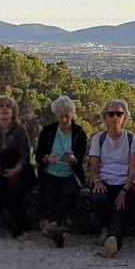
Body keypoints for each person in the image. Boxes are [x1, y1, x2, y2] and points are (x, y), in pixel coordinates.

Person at [87, 99, 135, 258]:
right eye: (111, 114)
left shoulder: (132, 139)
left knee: (121, 207)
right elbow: (93, 165)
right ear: (105, 117)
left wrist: (124, 190)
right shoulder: (99, 139)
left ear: (124, 117)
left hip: (124, 182)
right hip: (104, 180)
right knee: (98, 197)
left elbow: (133, 170)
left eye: (119, 113)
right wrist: (96, 181)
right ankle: (105, 230)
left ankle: (113, 240)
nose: (115, 117)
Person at [36, 96, 87, 248]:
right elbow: (38, 156)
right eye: (61, 117)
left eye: (67, 116)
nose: (64, 120)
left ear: (72, 114)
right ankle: (59, 228)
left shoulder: (79, 134)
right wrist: (46, 158)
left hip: (70, 173)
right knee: (50, 192)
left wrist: (73, 159)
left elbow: (80, 157)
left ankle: (53, 225)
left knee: (69, 192)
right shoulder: (48, 131)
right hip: (50, 172)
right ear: (56, 116)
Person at [0, 95, 32, 238]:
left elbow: (25, 155)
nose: (4, 108)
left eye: (8, 106)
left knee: (15, 186)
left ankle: (17, 222)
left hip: (15, 167)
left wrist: (16, 169)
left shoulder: (20, 130)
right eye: (0, 106)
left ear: (13, 112)